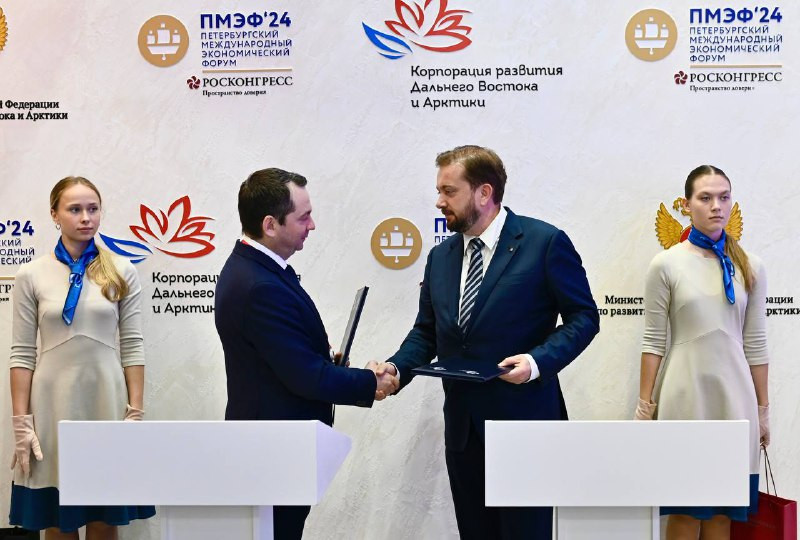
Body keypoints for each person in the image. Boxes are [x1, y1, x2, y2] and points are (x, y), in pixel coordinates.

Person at [373, 145, 600, 539]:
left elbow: (584, 317)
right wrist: (396, 369)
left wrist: (536, 362)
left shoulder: (544, 242)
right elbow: (426, 332)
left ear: (484, 192)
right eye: (439, 191)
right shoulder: (440, 256)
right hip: (464, 432)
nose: (439, 201)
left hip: (525, 428)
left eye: (449, 191)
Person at [214, 167, 398, 540]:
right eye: (303, 217)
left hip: (278, 449)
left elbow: (286, 358)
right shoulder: (260, 285)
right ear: (270, 225)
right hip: (273, 453)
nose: (312, 225)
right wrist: (370, 382)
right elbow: (304, 377)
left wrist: (326, 361)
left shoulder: (262, 270)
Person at [8, 177, 155, 539]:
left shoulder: (121, 270)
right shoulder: (31, 274)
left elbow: (132, 345)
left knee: (104, 510)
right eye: (75, 209)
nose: (86, 217)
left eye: (93, 208)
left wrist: (135, 412)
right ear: (54, 214)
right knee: (57, 515)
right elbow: (22, 353)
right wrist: (22, 422)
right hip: (51, 405)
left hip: (105, 400)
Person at [635, 165, 769, 539]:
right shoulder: (666, 264)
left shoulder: (751, 265)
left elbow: (756, 343)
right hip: (684, 398)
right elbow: (653, 341)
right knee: (683, 511)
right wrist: (644, 406)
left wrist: (763, 410)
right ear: (686, 204)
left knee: (723, 514)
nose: (716, 206)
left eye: (724, 197)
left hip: (735, 401)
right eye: (705, 198)